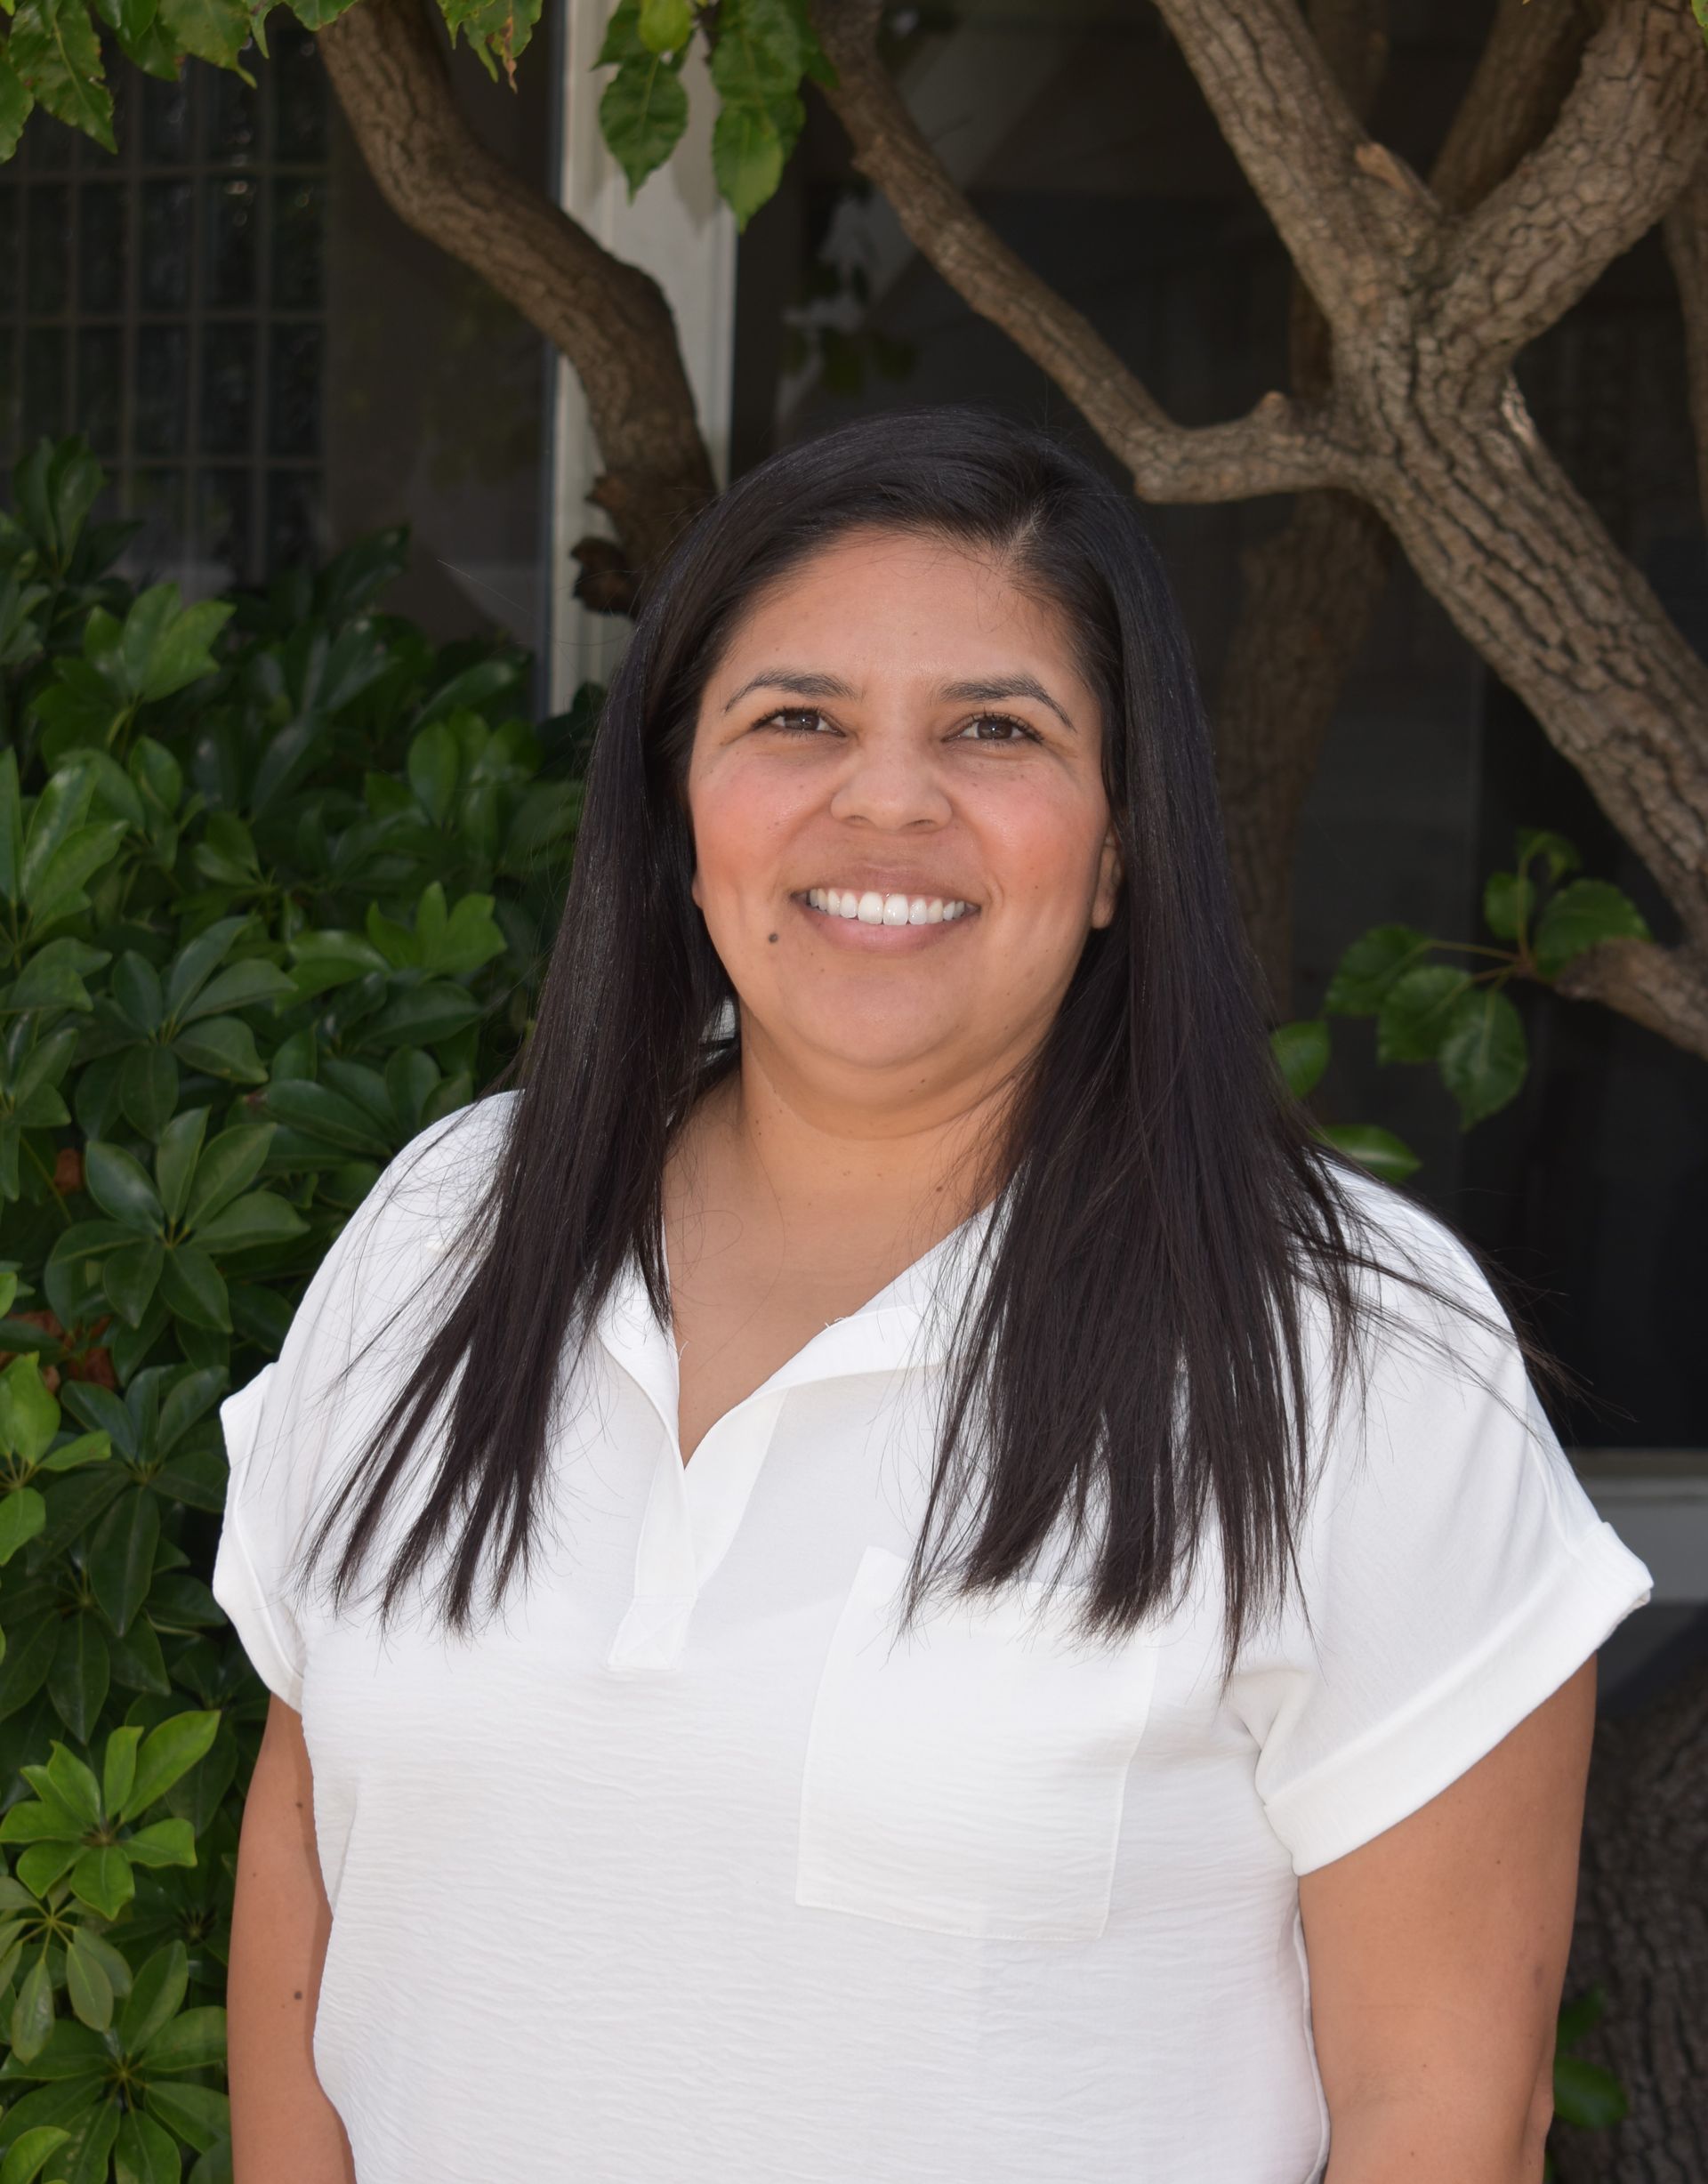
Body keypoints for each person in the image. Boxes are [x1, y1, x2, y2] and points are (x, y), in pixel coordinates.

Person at [215, 404, 1652, 2184]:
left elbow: (1446, 2108)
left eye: (997, 729)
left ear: (1123, 843)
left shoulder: (1346, 1348)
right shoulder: (454, 1226)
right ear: (676, 809)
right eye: (794, 718)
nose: (886, 798)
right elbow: (305, 1865)